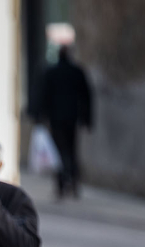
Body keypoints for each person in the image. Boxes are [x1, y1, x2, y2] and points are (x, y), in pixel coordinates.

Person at [39, 45, 93, 198]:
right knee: (71, 150)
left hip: (57, 119)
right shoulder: (75, 72)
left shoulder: (52, 72)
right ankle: (73, 183)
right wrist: (86, 119)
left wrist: (41, 117)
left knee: (60, 151)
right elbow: (86, 97)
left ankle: (63, 183)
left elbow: (44, 96)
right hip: (71, 119)